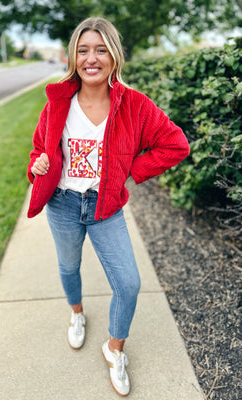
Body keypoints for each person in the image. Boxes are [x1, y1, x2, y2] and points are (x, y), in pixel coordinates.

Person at [27, 17, 190, 397]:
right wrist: (37, 166)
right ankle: (78, 314)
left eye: (100, 50)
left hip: (105, 207)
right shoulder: (57, 103)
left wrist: (133, 169)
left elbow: (176, 144)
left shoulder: (134, 105)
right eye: (83, 50)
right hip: (63, 204)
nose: (91, 58)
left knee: (129, 284)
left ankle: (114, 349)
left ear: (114, 55)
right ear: (73, 56)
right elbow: (39, 150)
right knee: (69, 267)